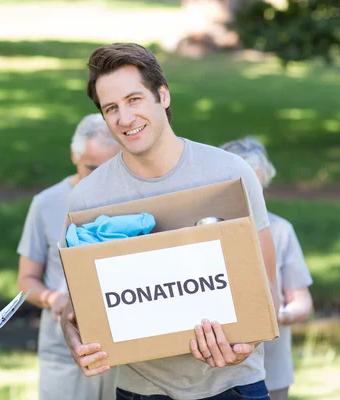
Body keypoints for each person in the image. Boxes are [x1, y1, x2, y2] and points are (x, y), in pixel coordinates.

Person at [60, 43, 280, 400]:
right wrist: (73, 337)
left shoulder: (230, 173)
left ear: (162, 95)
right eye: (111, 108)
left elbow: (268, 287)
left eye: (134, 100)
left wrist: (248, 341)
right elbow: (76, 308)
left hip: (234, 385)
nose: (124, 119)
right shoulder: (88, 199)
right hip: (141, 392)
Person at [17, 113, 120, 400]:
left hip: (121, 342)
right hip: (63, 346)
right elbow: (26, 280)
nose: (99, 178)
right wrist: (54, 298)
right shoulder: (46, 203)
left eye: (109, 167)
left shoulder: (133, 199)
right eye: (90, 167)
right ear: (74, 157)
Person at [220, 137, 314, 400]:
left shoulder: (281, 230)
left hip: (271, 372)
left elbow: (302, 301)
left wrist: (278, 315)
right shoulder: (206, 230)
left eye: (256, 187)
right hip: (215, 376)